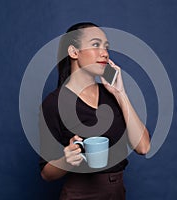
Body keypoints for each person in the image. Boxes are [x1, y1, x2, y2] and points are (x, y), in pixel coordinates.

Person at [39, 22, 150, 200]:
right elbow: (46, 174)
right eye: (96, 44)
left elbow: (143, 147)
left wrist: (121, 93)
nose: (105, 53)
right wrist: (66, 161)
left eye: (106, 47)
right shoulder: (53, 104)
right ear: (74, 52)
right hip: (80, 194)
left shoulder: (112, 94)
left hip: (117, 193)